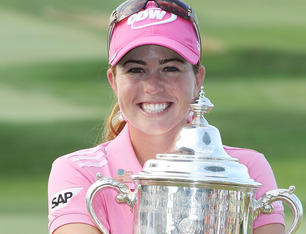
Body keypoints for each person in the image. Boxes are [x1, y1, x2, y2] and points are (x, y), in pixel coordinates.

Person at [48, 0, 285, 233]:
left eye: (170, 68)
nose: (152, 86)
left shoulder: (247, 169)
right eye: (136, 70)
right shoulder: (79, 171)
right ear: (114, 82)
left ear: (197, 79)